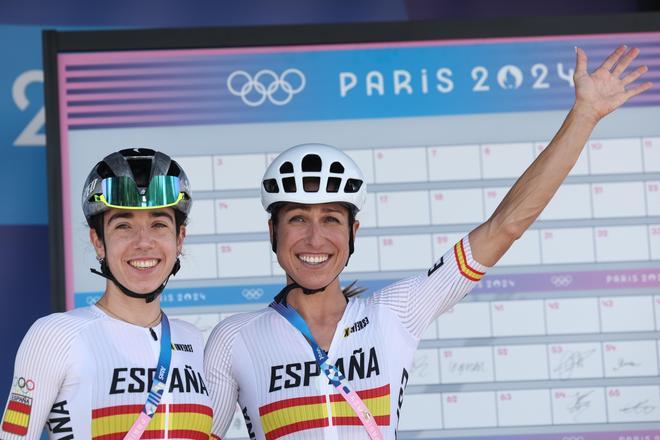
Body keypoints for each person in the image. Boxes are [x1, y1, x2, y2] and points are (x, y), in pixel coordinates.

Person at [204, 46, 651, 439]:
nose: (315, 238)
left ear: (353, 233)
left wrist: (584, 116)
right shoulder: (233, 339)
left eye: (331, 219)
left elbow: (506, 226)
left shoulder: (396, 312)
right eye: (297, 219)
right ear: (273, 233)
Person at [1, 149, 212, 439]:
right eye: (124, 225)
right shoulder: (55, 336)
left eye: (159, 224)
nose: (144, 242)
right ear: (98, 241)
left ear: (179, 239)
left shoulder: (192, 340)